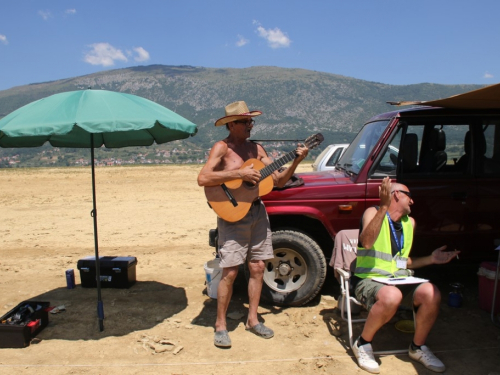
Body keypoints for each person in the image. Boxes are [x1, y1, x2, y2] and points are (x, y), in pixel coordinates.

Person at [197, 101, 309, 348]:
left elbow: (278, 181)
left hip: (258, 212)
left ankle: (253, 320)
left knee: (258, 267)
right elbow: (203, 178)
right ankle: (220, 325)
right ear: (232, 124)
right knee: (230, 271)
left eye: (251, 121)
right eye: (246, 122)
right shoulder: (222, 148)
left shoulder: (257, 149)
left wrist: (296, 162)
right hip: (233, 214)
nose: (250, 126)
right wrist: (239, 175)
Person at [352, 176, 460, 374]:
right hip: (369, 279)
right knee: (392, 296)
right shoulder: (373, 212)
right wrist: (383, 208)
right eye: (409, 196)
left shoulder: (409, 223)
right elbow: (366, 242)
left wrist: (431, 259)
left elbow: (402, 261)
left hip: (400, 280)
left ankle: (417, 348)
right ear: (396, 195)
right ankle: (363, 343)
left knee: (431, 292)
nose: (413, 201)